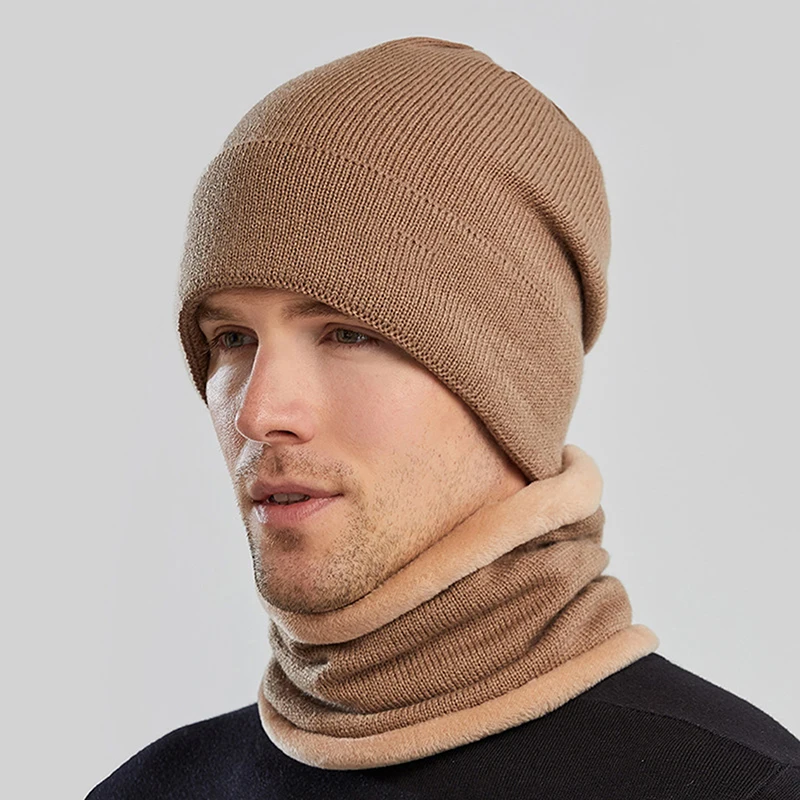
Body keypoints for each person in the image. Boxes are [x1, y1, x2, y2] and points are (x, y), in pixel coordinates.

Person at [86, 35, 800, 799]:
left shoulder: (735, 786)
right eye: (232, 338)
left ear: (513, 378)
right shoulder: (152, 790)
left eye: (347, 333)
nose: (260, 413)